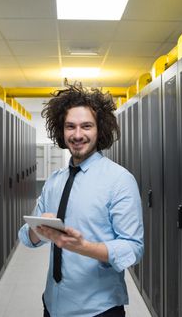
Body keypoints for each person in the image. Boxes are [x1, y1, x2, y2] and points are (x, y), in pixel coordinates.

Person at [18, 83, 144, 317]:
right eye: (70, 127)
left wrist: (85, 248)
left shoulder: (119, 180)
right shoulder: (55, 181)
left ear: (100, 130)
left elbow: (133, 247)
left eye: (86, 126)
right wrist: (38, 230)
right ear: (61, 131)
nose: (77, 135)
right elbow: (26, 236)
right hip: (52, 304)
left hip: (98, 309)